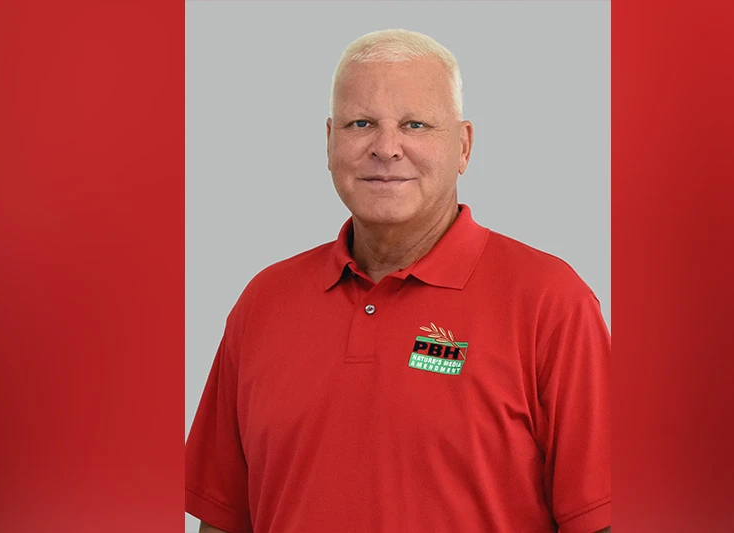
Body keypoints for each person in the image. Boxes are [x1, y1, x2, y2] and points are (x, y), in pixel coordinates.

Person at [186, 29, 611, 533]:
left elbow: (600, 519)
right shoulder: (263, 303)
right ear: (329, 142)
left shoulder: (550, 302)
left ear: (463, 146)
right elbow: (223, 519)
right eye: (360, 123)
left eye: (415, 124)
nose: (386, 148)